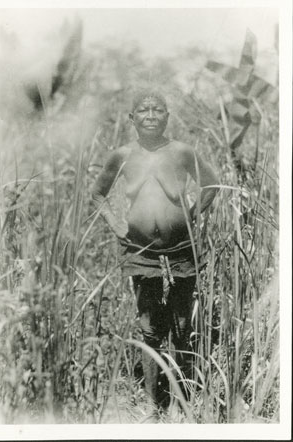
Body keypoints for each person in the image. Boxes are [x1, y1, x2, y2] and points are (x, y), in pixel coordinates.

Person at [92, 89, 218, 414]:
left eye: (157, 110)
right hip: (140, 250)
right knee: (149, 328)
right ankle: (151, 405)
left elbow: (211, 183)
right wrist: (116, 224)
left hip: (181, 248)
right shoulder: (122, 155)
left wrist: (193, 215)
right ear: (131, 118)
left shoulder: (181, 152)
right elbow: (97, 194)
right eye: (143, 111)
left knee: (180, 326)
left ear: (168, 116)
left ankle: (182, 404)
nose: (150, 116)